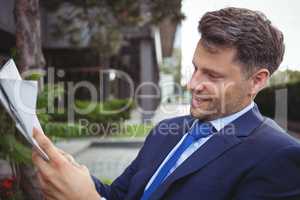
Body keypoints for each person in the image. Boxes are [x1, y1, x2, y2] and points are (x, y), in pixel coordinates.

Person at [32, 7, 300, 200]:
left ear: (257, 81)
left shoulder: (280, 158)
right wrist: (72, 177)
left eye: (212, 75)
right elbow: (118, 195)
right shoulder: (165, 131)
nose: (192, 84)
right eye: (195, 69)